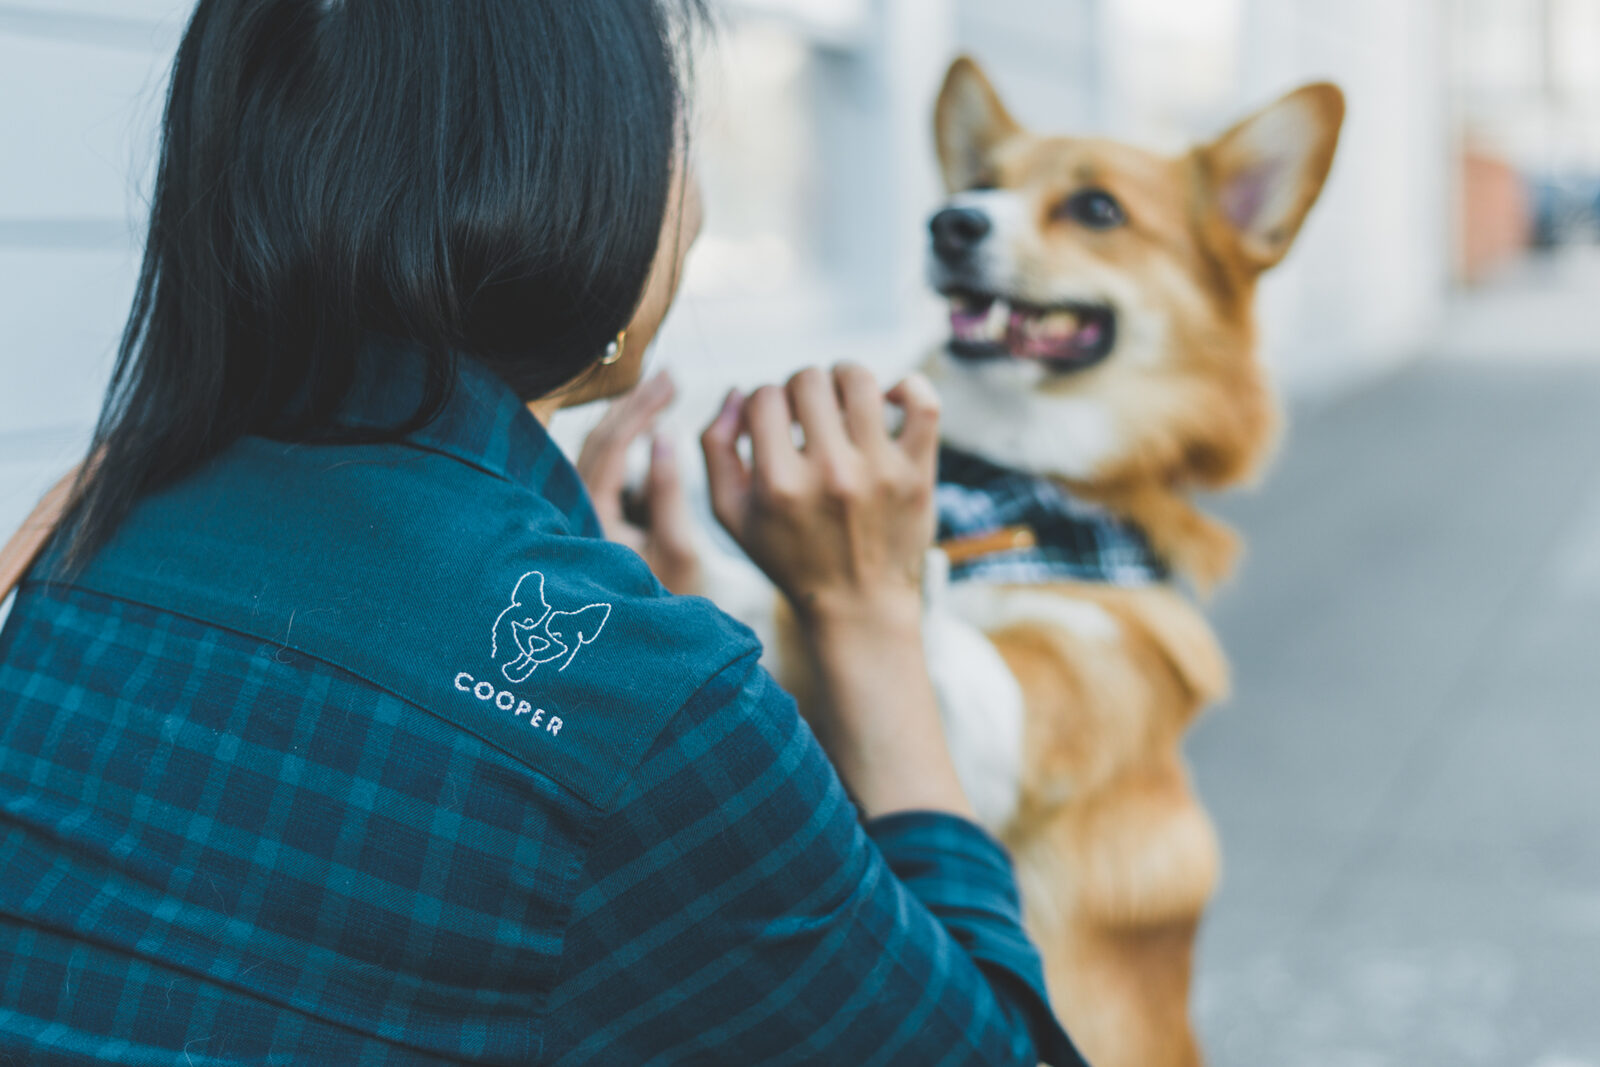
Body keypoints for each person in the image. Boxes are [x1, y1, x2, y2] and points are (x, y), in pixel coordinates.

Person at [0, 2, 1086, 1064]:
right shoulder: (656, 706)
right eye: (678, 136)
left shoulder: (77, 532)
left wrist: (602, 625)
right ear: (581, 186)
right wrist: (868, 619)